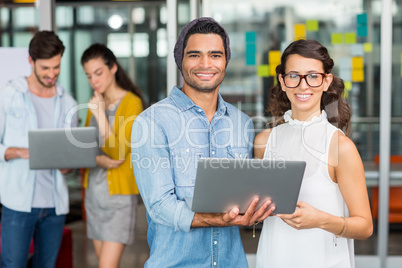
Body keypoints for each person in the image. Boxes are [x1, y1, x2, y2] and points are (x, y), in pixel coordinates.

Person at [131, 17, 275, 267]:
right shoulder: (152, 122)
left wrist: (255, 210)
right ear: (181, 61)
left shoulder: (241, 123)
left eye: (215, 55)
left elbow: (246, 192)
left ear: (225, 61)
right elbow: (159, 206)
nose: (206, 64)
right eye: (195, 55)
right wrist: (217, 219)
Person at [254, 39, 373, 267]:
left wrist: (321, 220)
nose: (303, 85)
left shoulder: (340, 147)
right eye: (293, 75)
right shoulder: (264, 142)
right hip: (273, 258)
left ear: (326, 81)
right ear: (282, 81)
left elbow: (365, 227)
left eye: (313, 76)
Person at [0, 31, 78, 268]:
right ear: (30, 61)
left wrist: (68, 165)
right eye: (45, 68)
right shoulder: (9, 96)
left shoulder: (69, 103)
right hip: (18, 204)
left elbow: (68, 160)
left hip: (54, 205)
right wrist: (23, 152)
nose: (52, 74)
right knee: (13, 264)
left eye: (56, 67)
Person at [80, 43, 145, 268]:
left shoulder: (132, 103)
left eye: (98, 73)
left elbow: (118, 153)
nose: (94, 81)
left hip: (119, 199)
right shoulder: (95, 104)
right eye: (88, 76)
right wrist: (98, 160)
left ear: (113, 68)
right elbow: (85, 150)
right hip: (94, 195)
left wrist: (100, 115)